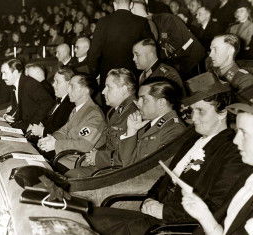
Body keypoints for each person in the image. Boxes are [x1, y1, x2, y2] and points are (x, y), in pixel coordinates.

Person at [86, 73, 246, 235]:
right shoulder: (191, 139)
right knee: (85, 216)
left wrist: (165, 212)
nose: (194, 118)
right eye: (192, 111)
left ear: (223, 112)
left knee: (91, 223)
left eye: (201, 111)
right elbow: (165, 178)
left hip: (172, 226)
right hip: (154, 215)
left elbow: (215, 206)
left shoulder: (232, 151)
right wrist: (150, 198)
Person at [181, 92, 253, 235]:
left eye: (244, 133)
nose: (235, 140)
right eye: (237, 131)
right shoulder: (248, 176)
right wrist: (205, 216)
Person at [65, 68, 139, 178]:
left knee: (70, 177)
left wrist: (97, 156)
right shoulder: (115, 112)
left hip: (115, 172)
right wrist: (96, 153)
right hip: (106, 165)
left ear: (123, 89)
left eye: (108, 87)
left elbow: (126, 156)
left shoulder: (133, 114)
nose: (103, 91)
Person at [37, 74, 106, 170]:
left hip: (78, 163)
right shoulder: (76, 110)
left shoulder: (94, 115)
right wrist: (51, 139)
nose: (68, 90)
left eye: (72, 86)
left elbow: (84, 145)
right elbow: (64, 131)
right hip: (66, 158)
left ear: (85, 91)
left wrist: (55, 144)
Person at [87, 0, 153, 89]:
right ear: (131, 5)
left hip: (108, 76)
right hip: (132, 76)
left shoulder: (103, 22)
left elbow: (93, 53)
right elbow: (150, 49)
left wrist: (95, 73)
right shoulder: (141, 22)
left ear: (114, 5)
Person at [1, 59, 54, 132]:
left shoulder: (29, 84)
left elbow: (48, 103)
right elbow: (16, 108)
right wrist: (6, 115)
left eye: (5, 73)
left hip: (34, 129)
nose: (2, 77)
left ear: (15, 72)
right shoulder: (14, 84)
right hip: (22, 125)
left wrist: (33, 123)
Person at [27, 67, 75, 139]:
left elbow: (62, 132)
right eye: (54, 81)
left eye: (57, 82)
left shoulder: (70, 105)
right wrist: (40, 124)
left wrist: (42, 131)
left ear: (69, 84)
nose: (53, 85)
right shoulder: (59, 100)